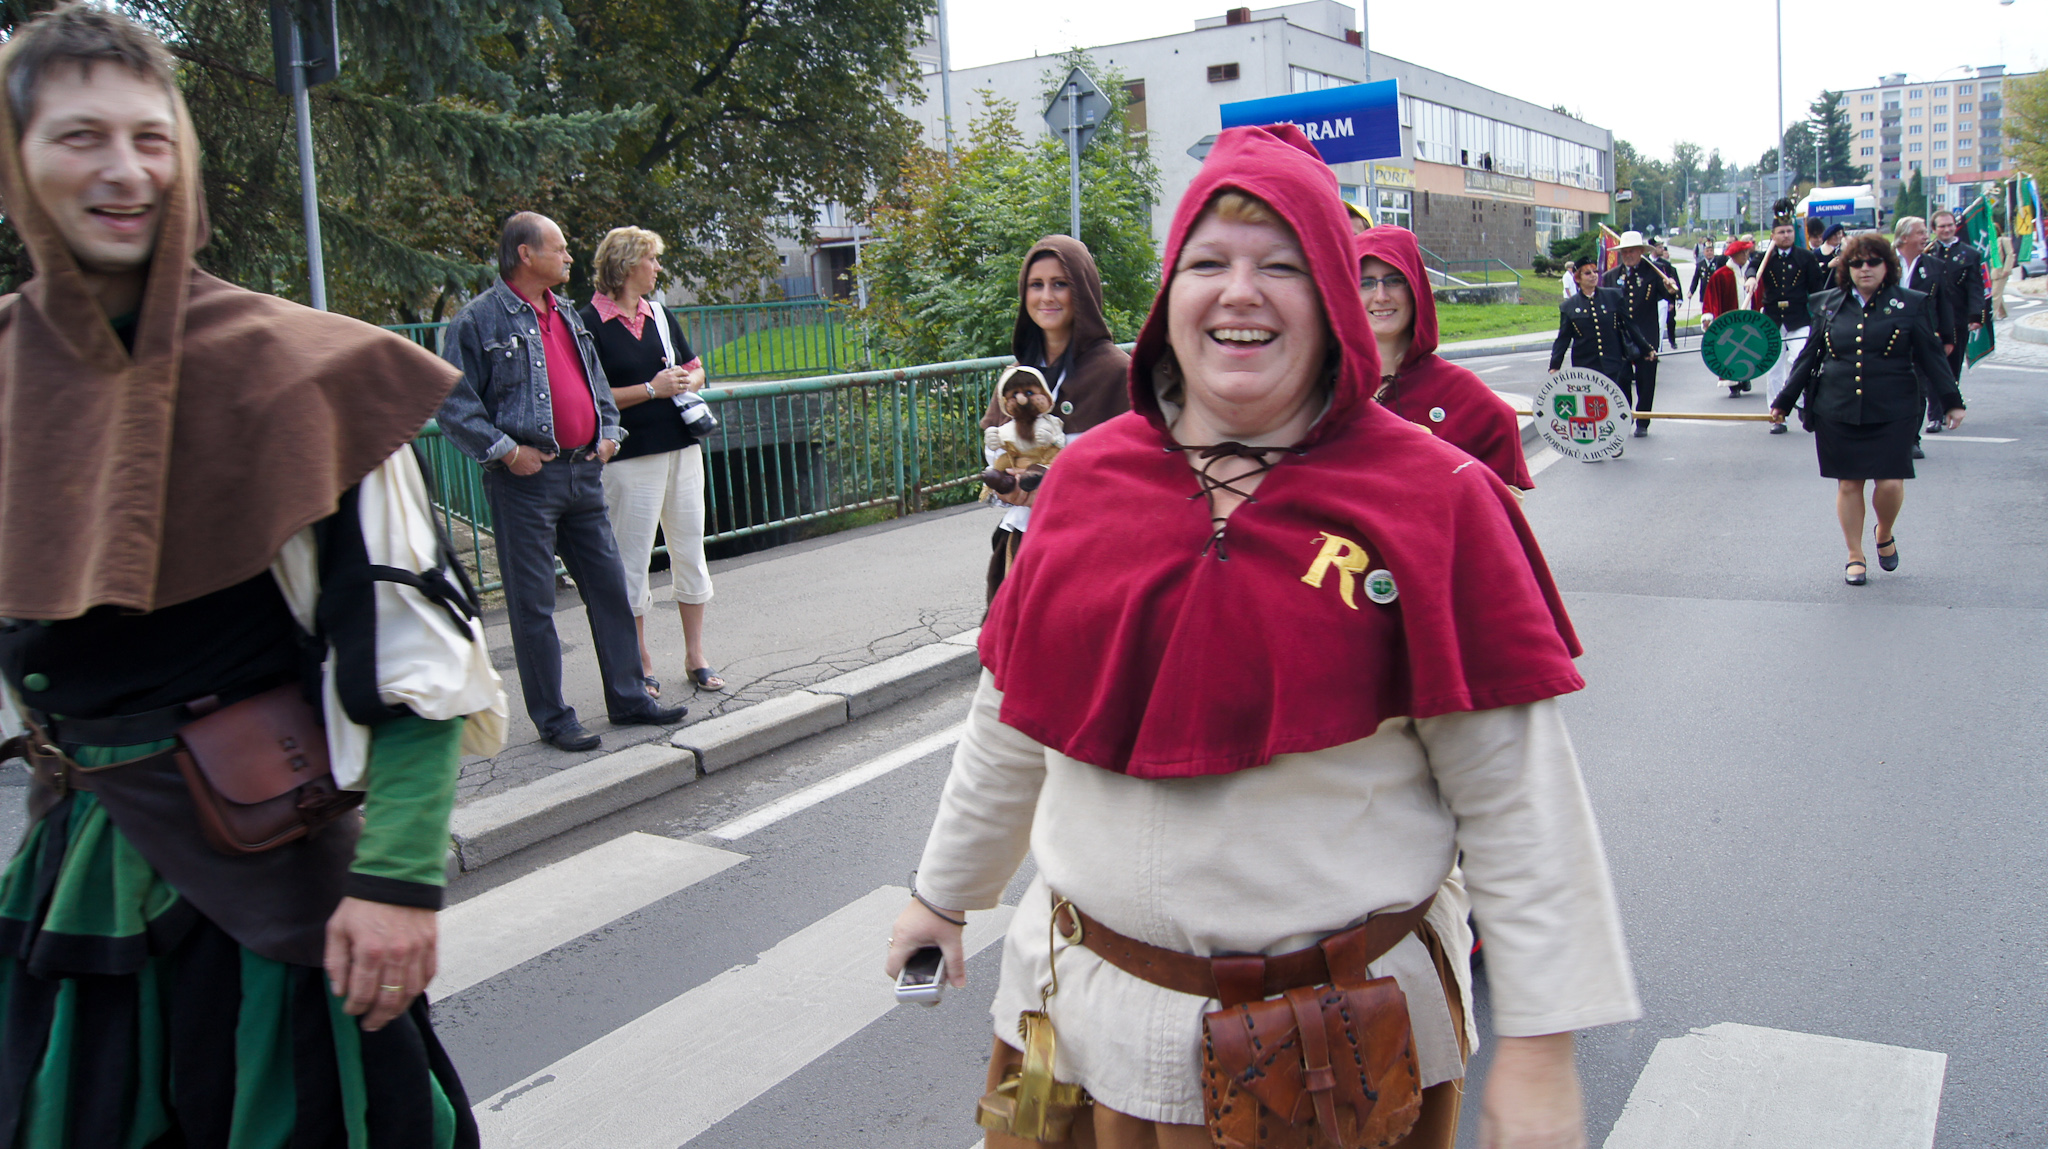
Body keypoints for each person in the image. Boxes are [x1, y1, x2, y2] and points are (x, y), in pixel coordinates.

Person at [888, 123, 1639, 1149]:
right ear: (1170, 294)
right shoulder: (1083, 481)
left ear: (1331, 298)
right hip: (1069, 1014)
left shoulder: (1438, 497)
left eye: (1280, 266)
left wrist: (1542, 1045)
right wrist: (943, 896)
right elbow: (1009, 716)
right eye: (1208, 263)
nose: (1238, 292)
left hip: (1324, 1057)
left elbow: (1517, 793)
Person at [0, 5, 507, 1142]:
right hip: (76, 876)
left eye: (151, 137)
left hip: (267, 889)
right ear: (19, 164)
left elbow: (418, 664)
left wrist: (396, 885)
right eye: (80, 137)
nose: (125, 171)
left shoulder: (307, 376)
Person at [437, 213, 686, 751]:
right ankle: (554, 719)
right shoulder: (477, 320)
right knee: (534, 606)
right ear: (525, 254)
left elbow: (596, 383)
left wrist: (609, 433)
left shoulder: (567, 313)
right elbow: (453, 404)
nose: (570, 257)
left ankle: (629, 699)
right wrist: (507, 452)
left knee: (610, 589)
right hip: (525, 481)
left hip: (583, 471)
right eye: (559, 249)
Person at [579, 226, 724, 696]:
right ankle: (640, 661)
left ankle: (696, 655)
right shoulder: (587, 324)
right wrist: (650, 389)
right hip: (628, 458)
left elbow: (697, 369)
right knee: (631, 560)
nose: (658, 268)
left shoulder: (659, 315)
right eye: (652, 260)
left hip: (682, 448)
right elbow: (588, 397)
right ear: (626, 265)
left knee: (690, 551)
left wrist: (685, 381)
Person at [1771, 233, 1964, 585]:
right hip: (1837, 407)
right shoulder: (1828, 304)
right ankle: (1854, 554)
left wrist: (1952, 401)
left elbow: (1932, 356)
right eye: (1857, 263)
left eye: (1873, 262)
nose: (1865, 269)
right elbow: (1809, 356)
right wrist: (1784, 401)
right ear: (1847, 268)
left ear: (1887, 266)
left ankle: (1884, 531)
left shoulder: (1910, 304)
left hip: (1893, 407)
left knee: (1889, 483)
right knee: (1849, 483)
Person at [978, 236, 1132, 602]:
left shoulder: (1116, 373)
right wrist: (1010, 483)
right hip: (1024, 544)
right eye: (1036, 285)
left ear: (1083, 291)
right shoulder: (1016, 376)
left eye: (1060, 283)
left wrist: (1057, 489)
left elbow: (1135, 474)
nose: (1047, 296)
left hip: (1093, 554)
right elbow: (996, 445)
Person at [1356, 224, 1533, 490]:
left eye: (1394, 280)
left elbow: (1502, 504)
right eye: (1366, 283)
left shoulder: (1461, 394)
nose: (1381, 296)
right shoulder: (1327, 391)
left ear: (1415, 287)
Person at [1551, 256, 1650, 457]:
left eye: (1595, 272)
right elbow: (1563, 338)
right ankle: (1592, 445)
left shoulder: (1613, 296)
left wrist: (1646, 348)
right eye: (1588, 273)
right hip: (1586, 363)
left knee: (1612, 403)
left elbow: (1629, 325)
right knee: (1590, 406)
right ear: (1578, 278)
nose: (1593, 276)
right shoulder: (1569, 306)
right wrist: (1555, 364)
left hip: (1613, 361)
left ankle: (1614, 441)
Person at [1749, 202, 1830, 434]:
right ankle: (1777, 416)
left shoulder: (1806, 257)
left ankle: (1801, 401)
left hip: (1799, 318)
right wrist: (1751, 278)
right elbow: (1752, 268)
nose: (1786, 235)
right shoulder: (1766, 257)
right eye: (1781, 232)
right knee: (1774, 369)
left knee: (1799, 360)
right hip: (1772, 320)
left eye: (1789, 231)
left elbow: (1817, 290)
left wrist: (1822, 315)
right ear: (1773, 235)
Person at [1600, 231, 1679, 436]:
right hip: (1620, 337)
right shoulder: (1611, 277)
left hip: (1646, 335)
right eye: (1625, 252)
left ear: (1641, 252)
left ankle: (1643, 422)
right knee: (1622, 379)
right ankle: (1625, 416)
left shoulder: (1654, 273)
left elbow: (1668, 294)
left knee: (1646, 380)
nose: (1628, 255)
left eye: (1632, 251)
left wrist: (1671, 290)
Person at [1892, 216, 1957, 459]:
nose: (1926, 237)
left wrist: (1948, 338)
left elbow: (1944, 304)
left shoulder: (1934, 266)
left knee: (1918, 390)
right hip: (1887, 337)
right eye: (1920, 232)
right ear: (1904, 237)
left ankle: (1912, 439)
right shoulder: (1884, 262)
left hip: (1922, 338)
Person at [1931, 208, 1989, 408]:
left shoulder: (1970, 254)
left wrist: (1975, 316)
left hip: (1957, 319)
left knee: (1952, 366)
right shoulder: (1927, 253)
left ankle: (1949, 406)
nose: (1947, 230)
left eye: (1950, 225)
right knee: (1931, 366)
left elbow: (1975, 288)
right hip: (1931, 320)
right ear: (1934, 229)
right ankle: (1935, 414)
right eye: (1942, 226)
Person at [1650, 240, 1682, 348]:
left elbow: (1671, 284)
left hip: (1662, 299)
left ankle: (1660, 347)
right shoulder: (1645, 262)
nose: (1662, 249)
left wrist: (1671, 301)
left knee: (1663, 324)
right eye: (1659, 247)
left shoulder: (1665, 265)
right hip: (1649, 299)